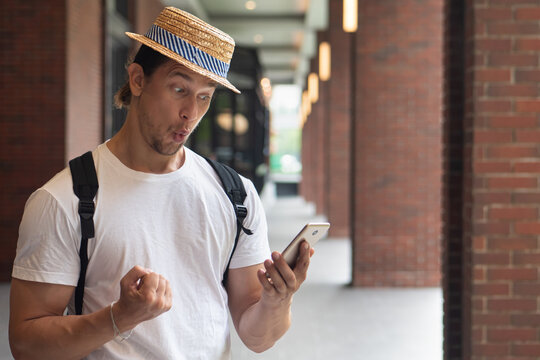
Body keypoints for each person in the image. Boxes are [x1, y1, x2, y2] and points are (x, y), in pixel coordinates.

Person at [9, 7, 313, 359]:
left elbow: (257, 337)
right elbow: (26, 344)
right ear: (137, 80)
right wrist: (118, 318)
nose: (191, 113)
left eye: (204, 96)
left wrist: (278, 301)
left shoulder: (236, 195)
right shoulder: (65, 199)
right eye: (179, 88)